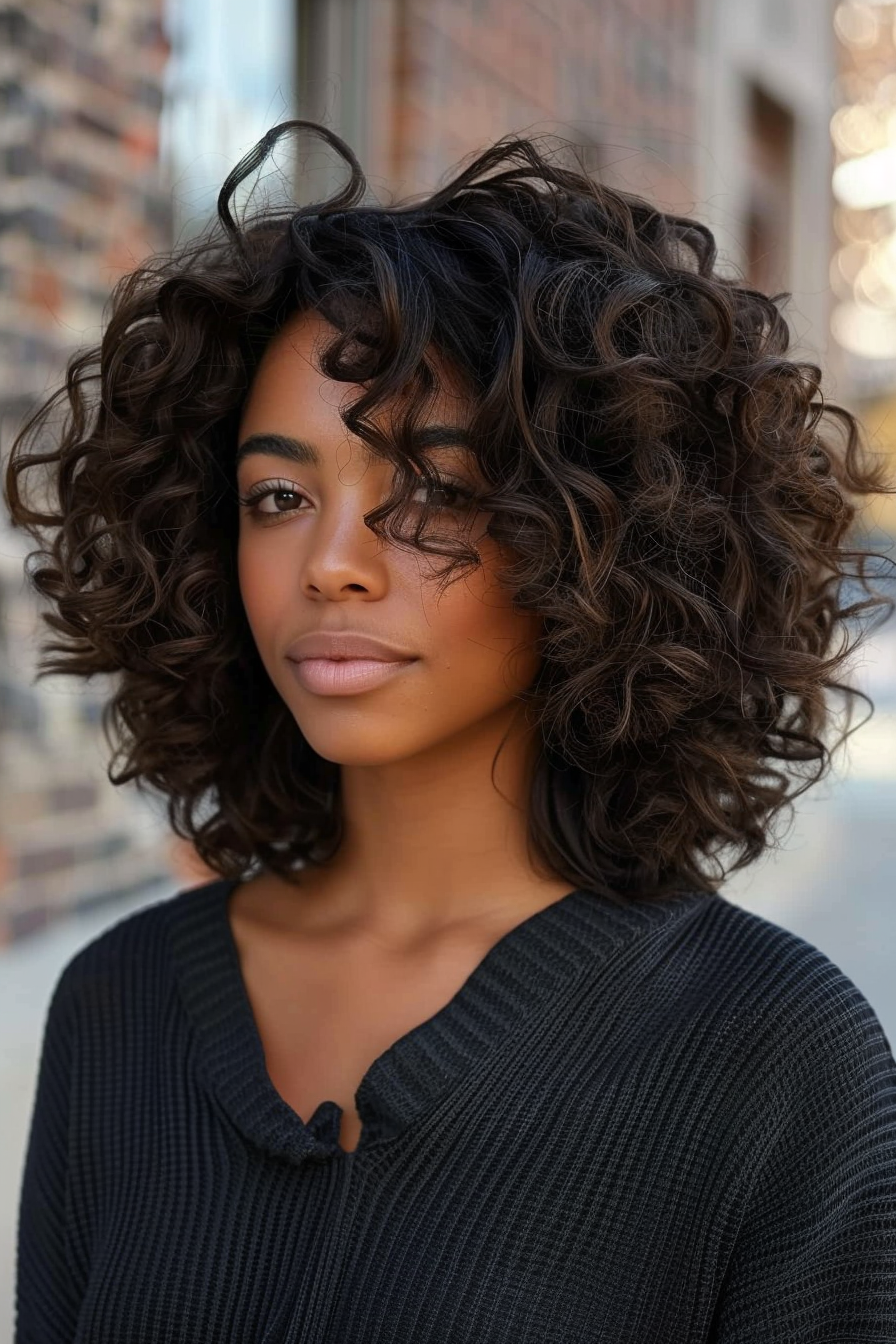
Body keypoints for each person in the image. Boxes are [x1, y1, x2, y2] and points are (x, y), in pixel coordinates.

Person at [6, 119, 896, 1343]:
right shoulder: (119, 1004)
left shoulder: (771, 1055)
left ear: (598, 537)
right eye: (277, 496)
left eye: (428, 490)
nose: (329, 566)